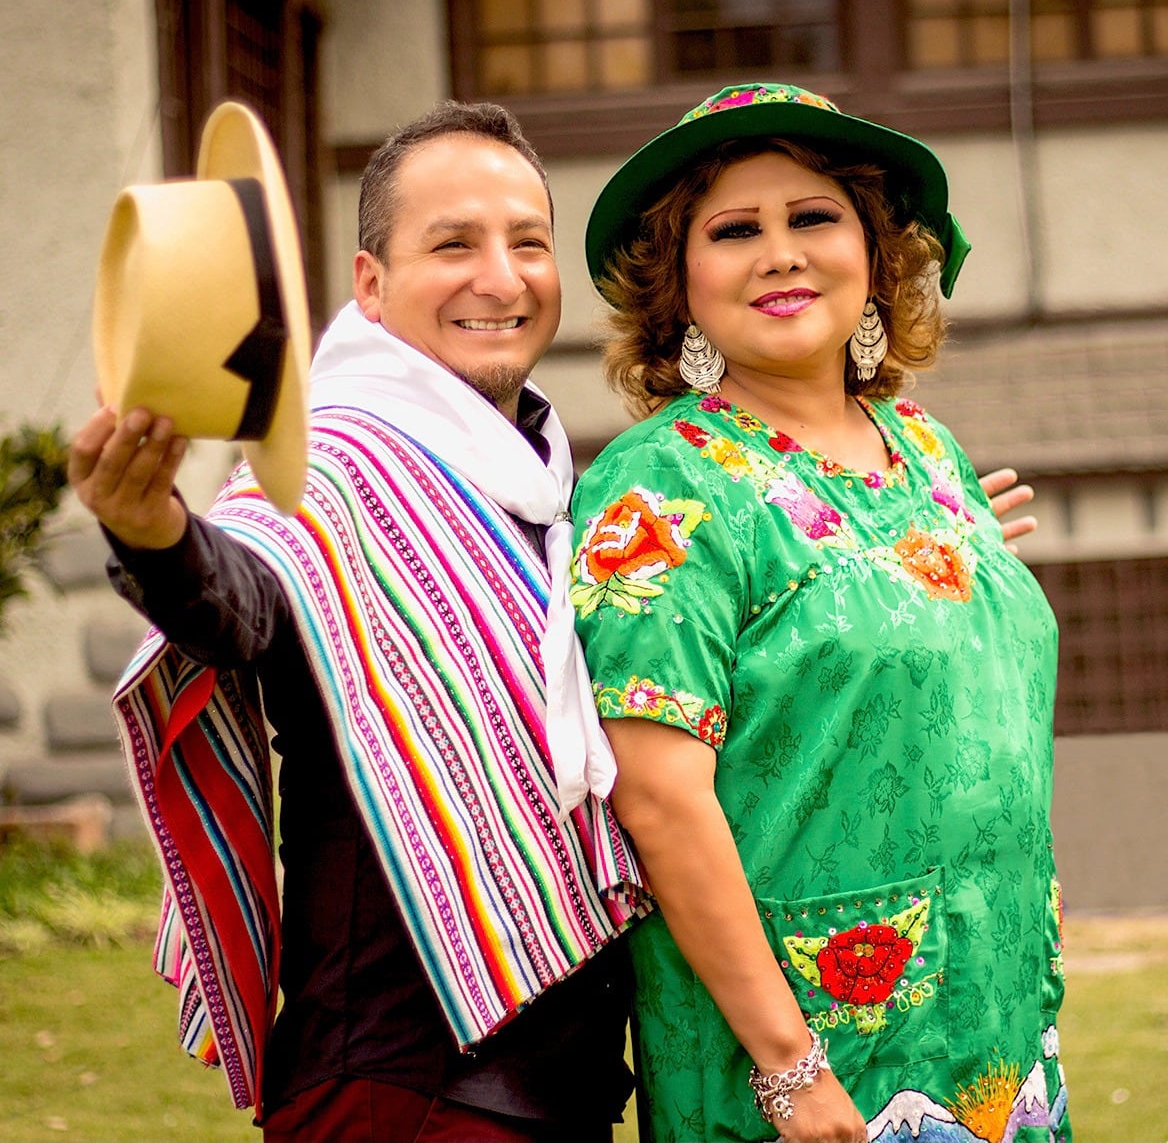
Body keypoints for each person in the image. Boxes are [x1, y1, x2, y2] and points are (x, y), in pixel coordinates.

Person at [69, 101, 649, 1143]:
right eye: (453, 243)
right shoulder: (333, 466)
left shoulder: (548, 490)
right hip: (401, 1093)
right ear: (369, 284)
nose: (501, 275)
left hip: (556, 1092)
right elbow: (236, 601)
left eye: (527, 241)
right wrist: (151, 530)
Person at [569, 83, 1068, 1142]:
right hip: (809, 1067)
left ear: (875, 254)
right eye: (734, 229)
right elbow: (656, 800)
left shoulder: (928, 453)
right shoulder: (655, 492)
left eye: (811, 217)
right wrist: (792, 1072)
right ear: (678, 284)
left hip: (996, 1033)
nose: (779, 252)